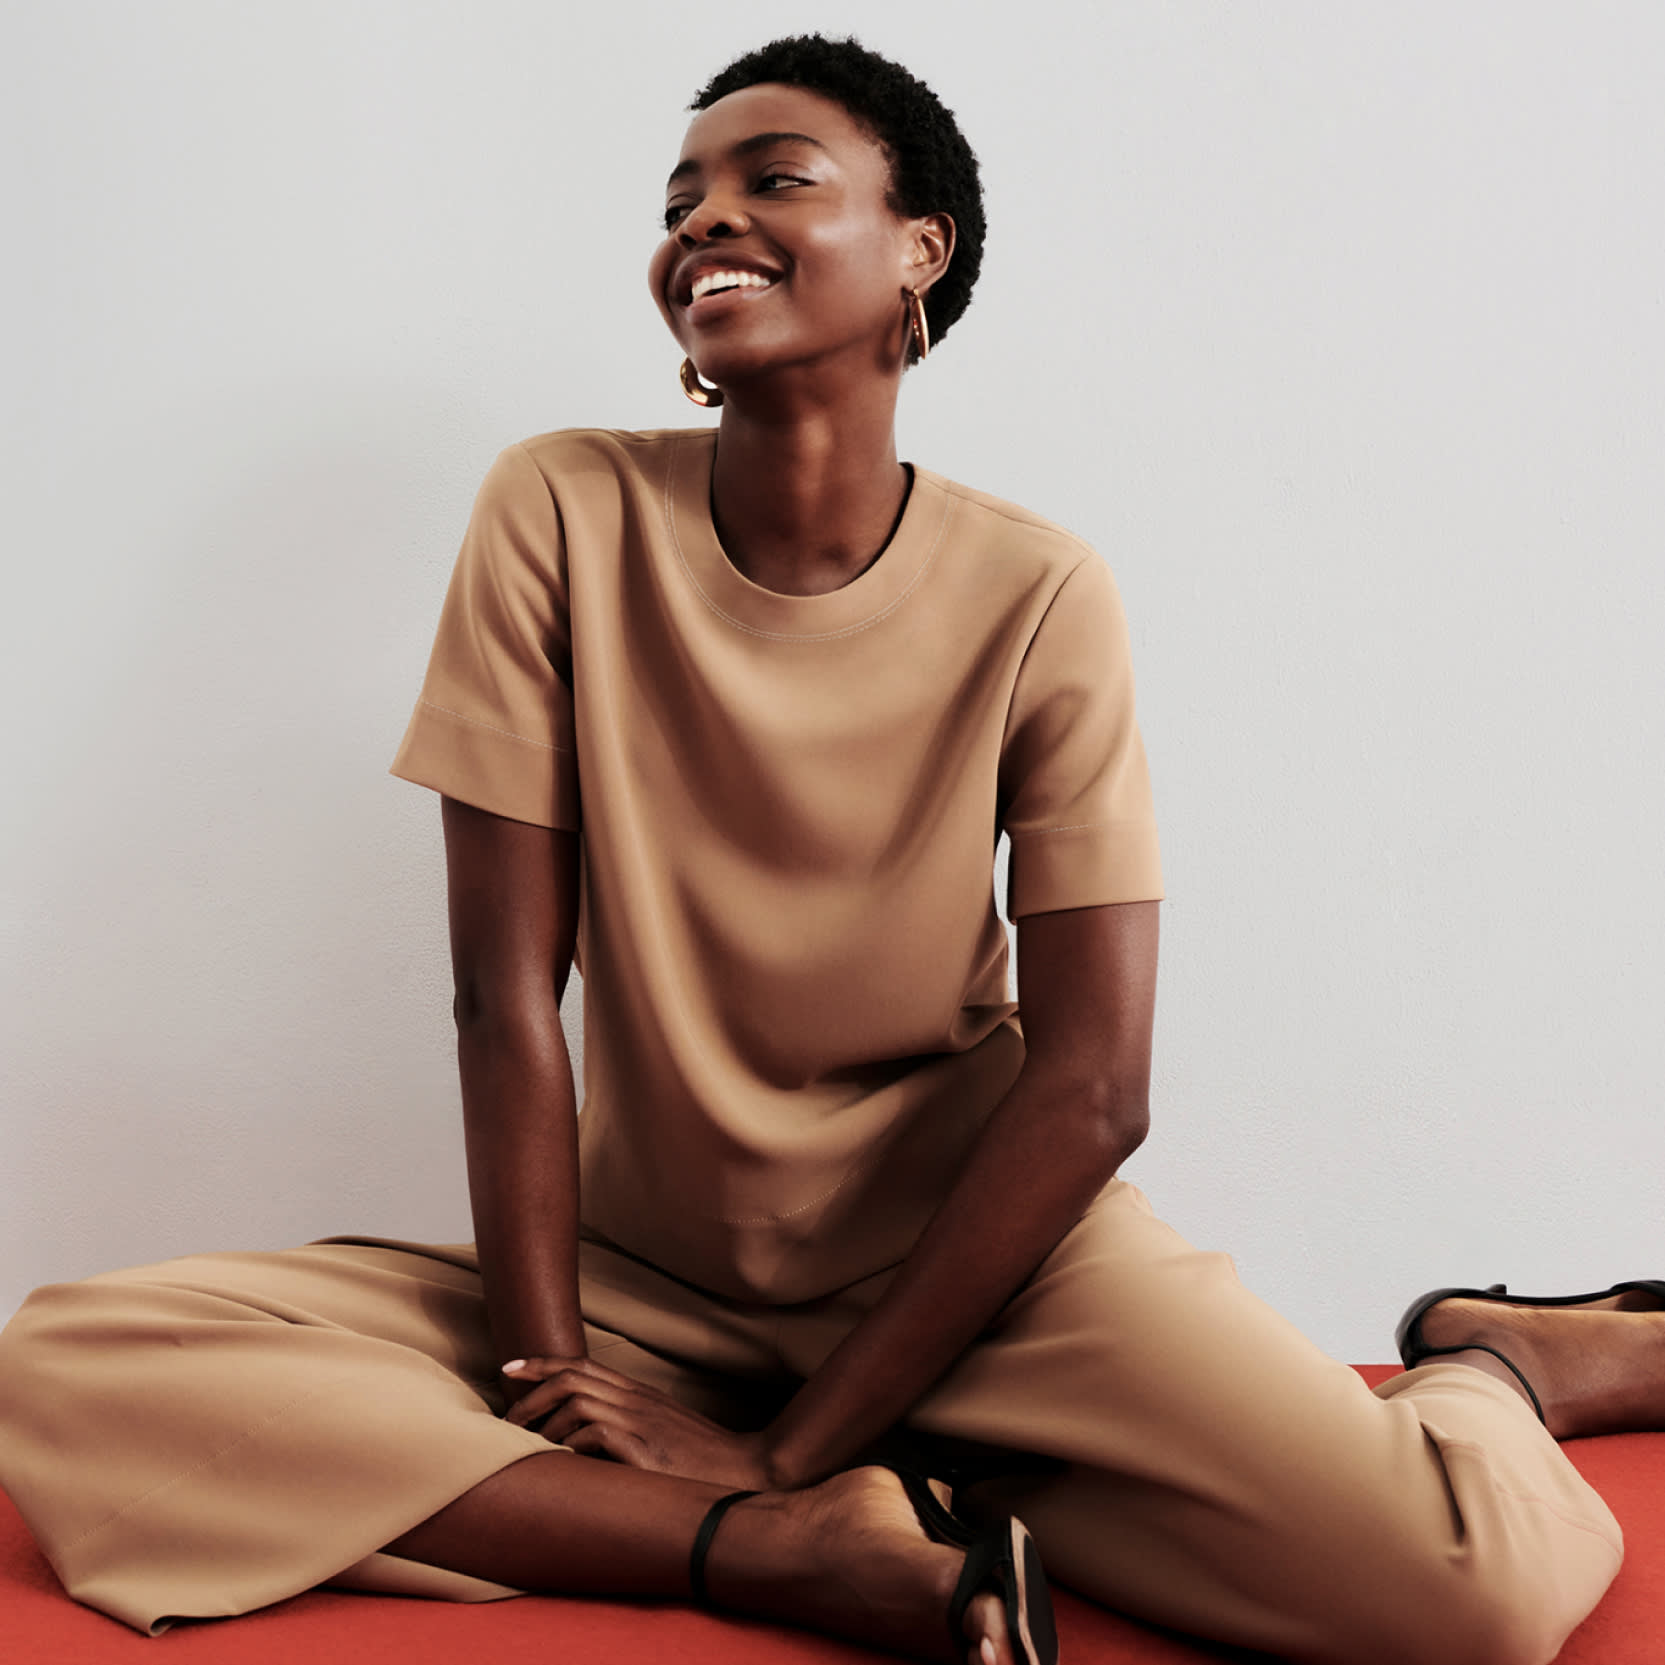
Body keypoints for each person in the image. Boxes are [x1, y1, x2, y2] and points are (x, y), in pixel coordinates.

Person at [0, 32, 1658, 1665]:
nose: (702, 219)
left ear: (917, 251)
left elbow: (1092, 1082)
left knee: (1471, 1595)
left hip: (979, 1273)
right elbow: (505, 1001)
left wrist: (791, 1445)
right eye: (679, 197)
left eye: (770, 178)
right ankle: (792, 1550)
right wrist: (553, 1380)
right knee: (77, 1364)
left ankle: (1500, 1367)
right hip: (651, 1272)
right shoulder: (558, 511)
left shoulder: (1037, 592)